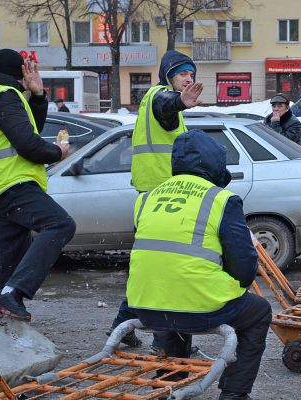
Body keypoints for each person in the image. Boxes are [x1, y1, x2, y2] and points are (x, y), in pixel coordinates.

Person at [127, 129, 271, 400]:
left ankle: (171, 380)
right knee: (259, 311)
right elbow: (243, 268)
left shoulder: (145, 198)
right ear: (215, 162)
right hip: (198, 306)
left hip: (145, 305)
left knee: (172, 303)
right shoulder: (221, 199)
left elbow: (157, 257)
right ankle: (234, 394)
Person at [0, 49, 75, 321]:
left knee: (8, 264)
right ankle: (14, 293)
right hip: (14, 184)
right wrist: (58, 153)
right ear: (19, 72)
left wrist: (38, 96)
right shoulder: (5, 95)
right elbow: (30, 145)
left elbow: (29, 130)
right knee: (61, 224)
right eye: (26, 71)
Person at [107, 50, 203, 347]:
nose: (189, 78)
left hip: (156, 197)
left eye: (191, 74)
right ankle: (168, 341)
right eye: (183, 73)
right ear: (168, 76)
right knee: (169, 267)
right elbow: (167, 106)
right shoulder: (160, 96)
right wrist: (179, 102)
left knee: (152, 266)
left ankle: (124, 326)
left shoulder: (156, 102)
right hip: (161, 198)